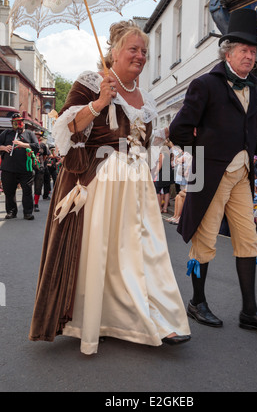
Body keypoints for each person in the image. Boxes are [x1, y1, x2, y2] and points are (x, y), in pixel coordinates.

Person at [29, 20, 191, 354]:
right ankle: (98, 318)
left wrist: (161, 141)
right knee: (102, 252)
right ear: (114, 53)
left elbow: (143, 142)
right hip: (99, 181)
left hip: (136, 184)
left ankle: (161, 319)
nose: (140, 56)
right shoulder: (91, 83)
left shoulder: (146, 97)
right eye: (133, 49)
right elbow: (66, 132)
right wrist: (99, 103)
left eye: (144, 51)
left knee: (144, 252)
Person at [169, 8, 257, 334]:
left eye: (253, 52)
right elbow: (179, 130)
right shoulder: (205, 85)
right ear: (228, 51)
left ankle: (249, 311)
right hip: (211, 176)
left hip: (243, 177)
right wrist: (202, 157)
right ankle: (197, 302)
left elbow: (248, 136)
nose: (250, 57)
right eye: (244, 51)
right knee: (205, 241)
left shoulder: (255, 92)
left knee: (247, 241)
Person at [0, 113, 39, 220]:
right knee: (9, 192)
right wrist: (4, 148)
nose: (18, 124)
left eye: (20, 122)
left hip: (25, 169)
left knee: (27, 191)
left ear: (23, 123)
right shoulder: (6, 133)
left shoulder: (30, 134)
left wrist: (23, 145)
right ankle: (11, 212)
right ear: (12, 124)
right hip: (8, 169)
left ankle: (27, 212)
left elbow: (37, 146)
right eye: (15, 123)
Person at [33, 131, 50, 212]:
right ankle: (29, 203)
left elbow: (45, 155)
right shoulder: (28, 143)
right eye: (35, 134)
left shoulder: (42, 145)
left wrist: (41, 163)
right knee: (27, 186)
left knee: (38, 186)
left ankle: (36, 204)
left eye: (38, 135)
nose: (37, 136)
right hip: (30, 167)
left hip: (40, 168)